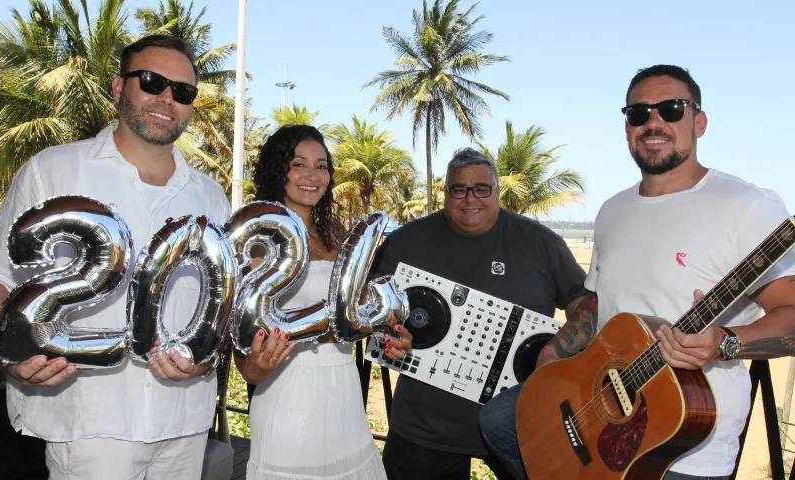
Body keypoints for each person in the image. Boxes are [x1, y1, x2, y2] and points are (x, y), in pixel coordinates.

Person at [480, 64, 795, 480]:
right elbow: (598, 301)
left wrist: (724, 343)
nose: (654, 122)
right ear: (627, 126)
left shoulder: (748, 206)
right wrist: (555, 353)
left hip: (684, 442)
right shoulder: (613, 210)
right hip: (600, 413)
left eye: (671, 108)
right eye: (639, 113)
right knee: (499, 421)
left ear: (698, 121)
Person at [0, 35, 229, 479]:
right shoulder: (53, 170)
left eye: (183, 92)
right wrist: (10, 355)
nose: (167, 99)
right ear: (119, 87)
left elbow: (219, 304)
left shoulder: (210, 195)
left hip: (184, 418)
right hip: (88, 420)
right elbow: (0, 276)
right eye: (152, 81)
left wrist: (207, 355)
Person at [370, 147, 588, 480]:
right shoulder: (406, 242)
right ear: (446, 194)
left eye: (481, 188)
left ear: (497, 190)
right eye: (459, 189)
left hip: (519, 425)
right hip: (424, 428)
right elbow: (368, 306)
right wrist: (386, 335)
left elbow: (584, 304)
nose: (470, 198)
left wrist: (559, 349)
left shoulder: (540, 242)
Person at [234, 124, 413, 480]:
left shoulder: (338, 237)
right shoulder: (256, 241)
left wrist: (391, 339)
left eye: (321, 166)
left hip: (345, 391)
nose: (312, 176)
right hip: (288, 395)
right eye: (298, 164)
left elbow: (361, 315)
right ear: (277, 169)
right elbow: (244, 352)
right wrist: (254, 367)